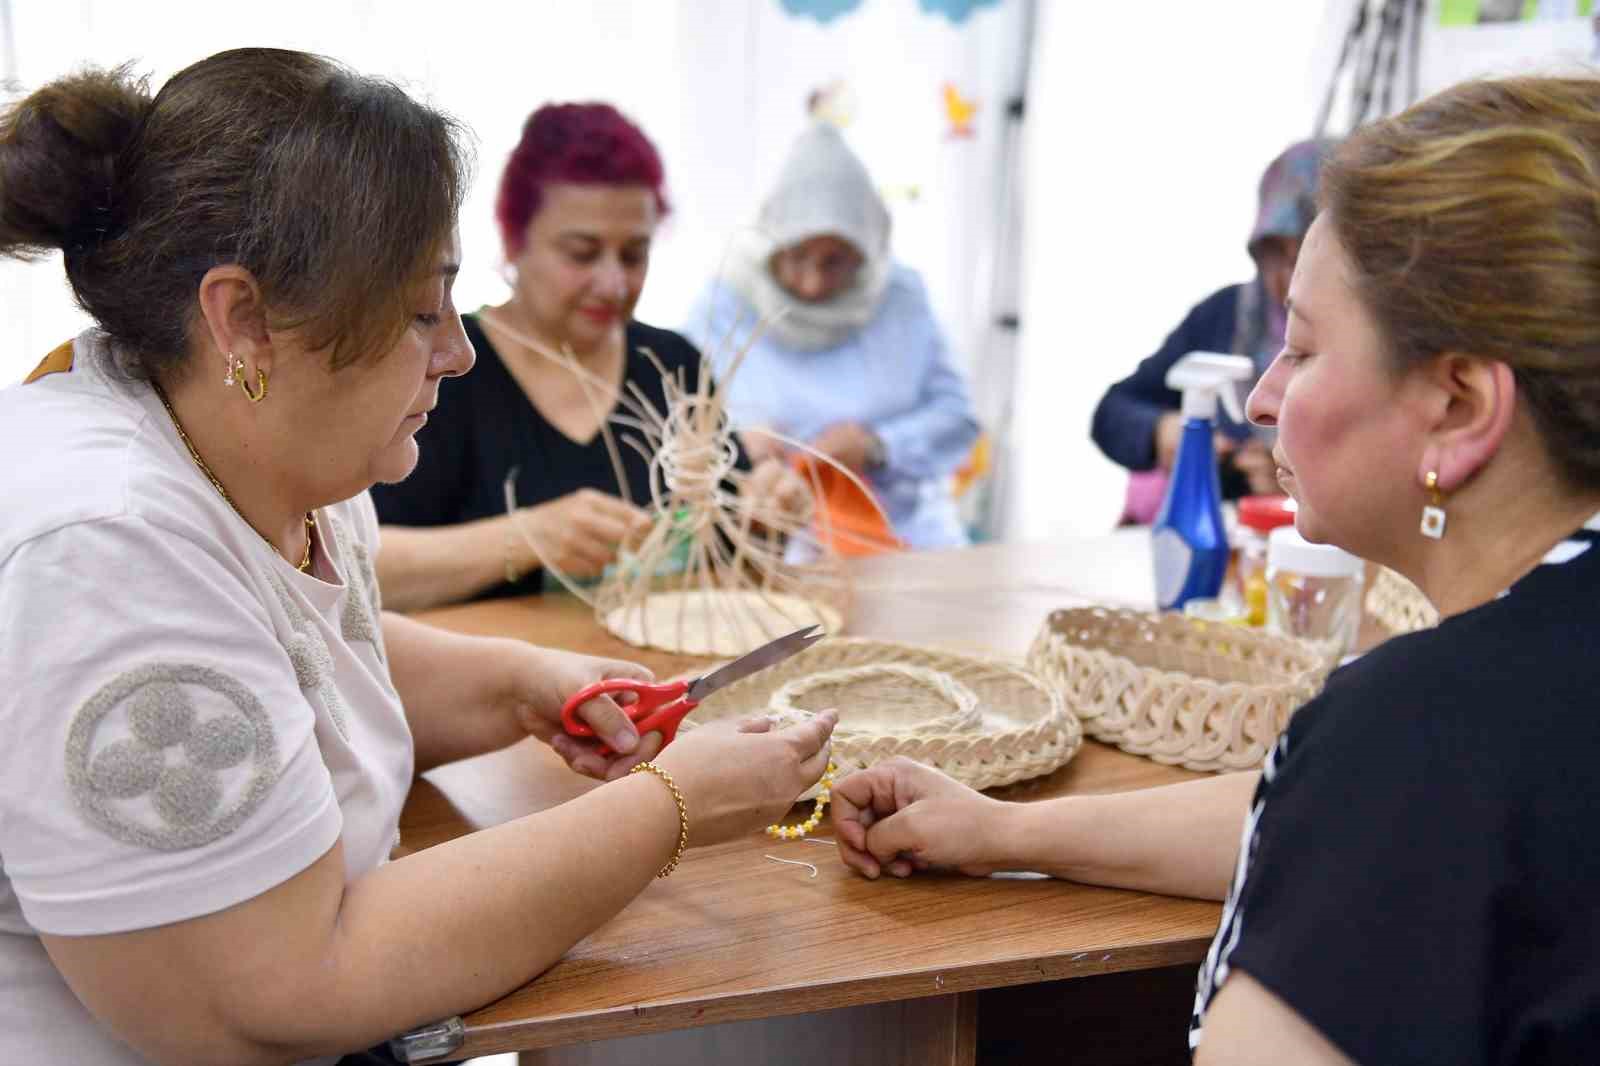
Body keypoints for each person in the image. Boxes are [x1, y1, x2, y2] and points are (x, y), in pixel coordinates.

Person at [0, 50, 835, 1065]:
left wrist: (526, 684)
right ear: (245, 320)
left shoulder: (267, 451)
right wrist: (668, 808)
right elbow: (278, 991)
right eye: (419, 313)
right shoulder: (104, 551)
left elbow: (305, 662)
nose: (459, 354)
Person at [830, 76, 1600, 1063]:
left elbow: (1384, 798)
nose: (1265, 398)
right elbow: (1322, 823)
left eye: (1306, 349)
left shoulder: (1423, 728)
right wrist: (1001, 832)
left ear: (1457, 405)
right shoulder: (1455, 742)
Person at [371, 102, 802, 611]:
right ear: (513, 241)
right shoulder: (443, 368)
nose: (614, 282)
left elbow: (729, 545)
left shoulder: (672, 366)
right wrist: (527, 537)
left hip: (655, 673)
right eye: (581, 253)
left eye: (634, 254)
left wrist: (763, 518)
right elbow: (359, 567)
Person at [686, 120, 980, 552]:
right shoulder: (725, 304)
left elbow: (958, 418)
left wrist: (878, 447)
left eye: (835, 262)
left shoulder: (901, 298)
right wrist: (736, 447)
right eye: (797, 256)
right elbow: (678, 425)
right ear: (770, 242)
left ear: (866, 253)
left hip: (907, 533)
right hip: (770, 543)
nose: (811, 284)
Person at [1091, 139, 1327, 521]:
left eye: (1300, 250)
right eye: (1273, 253)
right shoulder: (1227, 314)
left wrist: (1289, 485)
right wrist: (1164, 432)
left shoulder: (1360, 340)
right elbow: (1113, 411)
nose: (1286, 274)